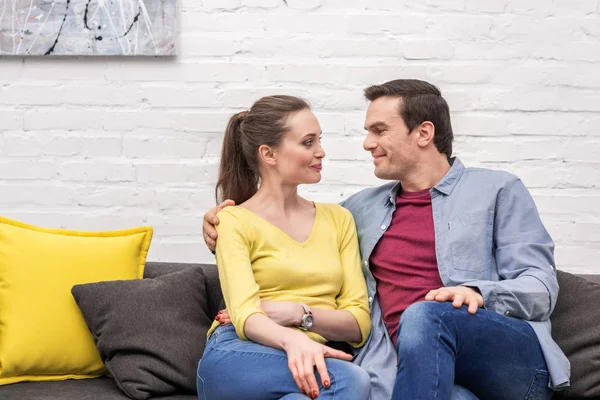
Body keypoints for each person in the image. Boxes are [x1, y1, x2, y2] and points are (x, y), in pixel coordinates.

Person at [203, 80, 571, 400]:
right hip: (417, 375)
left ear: (423, 133)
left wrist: (478, 292)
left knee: (427, 315)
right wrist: (222, 225)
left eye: (379, 130)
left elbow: (540, 287)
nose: (367, 143)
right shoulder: (358, 211)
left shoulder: (498, 191)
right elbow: (289, 227)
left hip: (507, 363)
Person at [196, 95, 372, 400]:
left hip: (311, 351)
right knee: (350, 381)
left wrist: (297, 313)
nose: (321, 151)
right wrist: (294, 341)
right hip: (240, 355)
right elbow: (247, 316)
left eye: (319, 140)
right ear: (269, 154)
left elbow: (358, 323)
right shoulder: (233, 221)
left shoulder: (338, 219)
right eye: (308, 142)